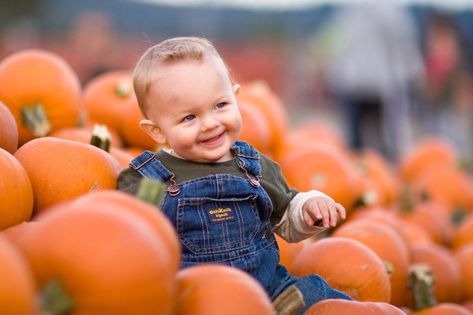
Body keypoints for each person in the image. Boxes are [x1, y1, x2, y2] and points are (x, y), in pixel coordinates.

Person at [117, 36, 351, 312]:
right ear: (156, 130)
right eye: (189, 117)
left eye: (220, 106)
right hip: (197, 300)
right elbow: (129, 239)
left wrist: (308, 208)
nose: (210, 124)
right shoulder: (148, 179)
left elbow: (286, 212)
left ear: (236, 97)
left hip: (270, 291)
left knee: (324, 298)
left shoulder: (252, 165)